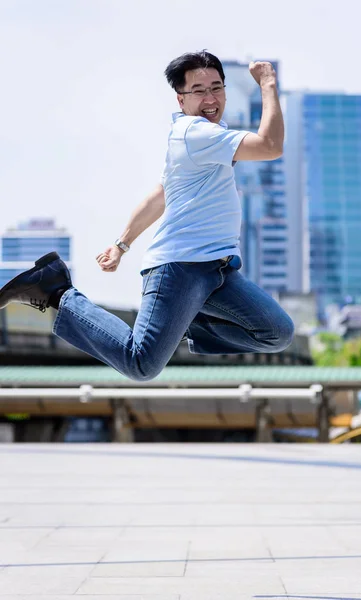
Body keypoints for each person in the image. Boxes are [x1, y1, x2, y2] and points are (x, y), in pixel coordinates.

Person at [0, 50, 294, 381]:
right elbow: (271, 145)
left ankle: (178, 324)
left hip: (219, 270)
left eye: (217, 87)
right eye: (199, 91)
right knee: (141, 363)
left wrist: (121, 244)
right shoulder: (195, 133)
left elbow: (162, 194)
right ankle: (57, 292)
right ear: (181, 100)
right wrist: (268, 84)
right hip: (180, 269)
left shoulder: (203, 138)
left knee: (275, 332)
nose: (211, 99)